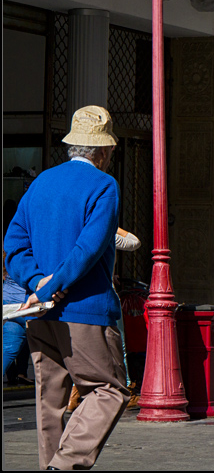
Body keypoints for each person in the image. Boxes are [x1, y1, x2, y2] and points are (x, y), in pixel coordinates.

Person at [3, 105, 130, 470]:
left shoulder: (41, 181)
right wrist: (51, 286)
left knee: (50, 399)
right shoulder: (104, 185)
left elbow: (14, 243)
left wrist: (35, 282)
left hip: (40, 313)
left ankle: (51, 465)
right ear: (103, 151)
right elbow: (88, 248)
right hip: (84, 309)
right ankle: (65, 464)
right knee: (108, 390)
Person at [3, 249, 32, 387]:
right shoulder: (29, 257)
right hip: (28, 306)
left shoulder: (9, 259)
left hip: (9, 304)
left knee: (9, 349)